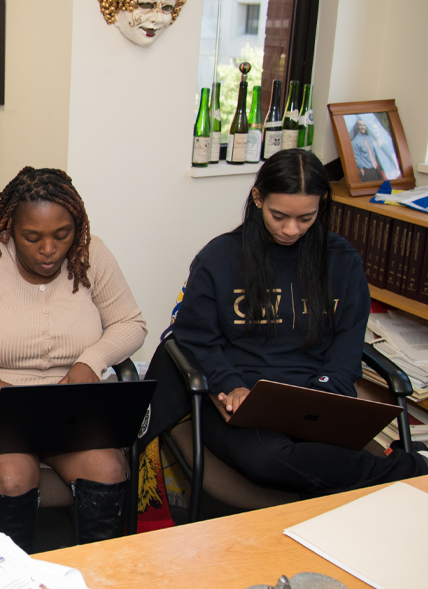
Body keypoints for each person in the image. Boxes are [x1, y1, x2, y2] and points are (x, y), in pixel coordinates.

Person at [160, 149, 428, 495]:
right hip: (245, 398)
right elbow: (197, 340)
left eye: (306, 218)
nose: (291, 229)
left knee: (316, 453)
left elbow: (348, 341)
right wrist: (231, 385)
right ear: (258, 198)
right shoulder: (219, 258)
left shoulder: (341, 260)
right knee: (267, 460)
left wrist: (327, 392)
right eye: (279, 216)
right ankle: (410, 469)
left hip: (316, 396)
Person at [0, 167, 147, 552]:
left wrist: (92, 360)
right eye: (32, 237)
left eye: (62, 235)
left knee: (108, 469)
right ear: (10, 228)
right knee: (11, 475)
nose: (49, 249)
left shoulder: (91, 254)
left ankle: (98, 584)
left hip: (67, 399)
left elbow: (131, 323)